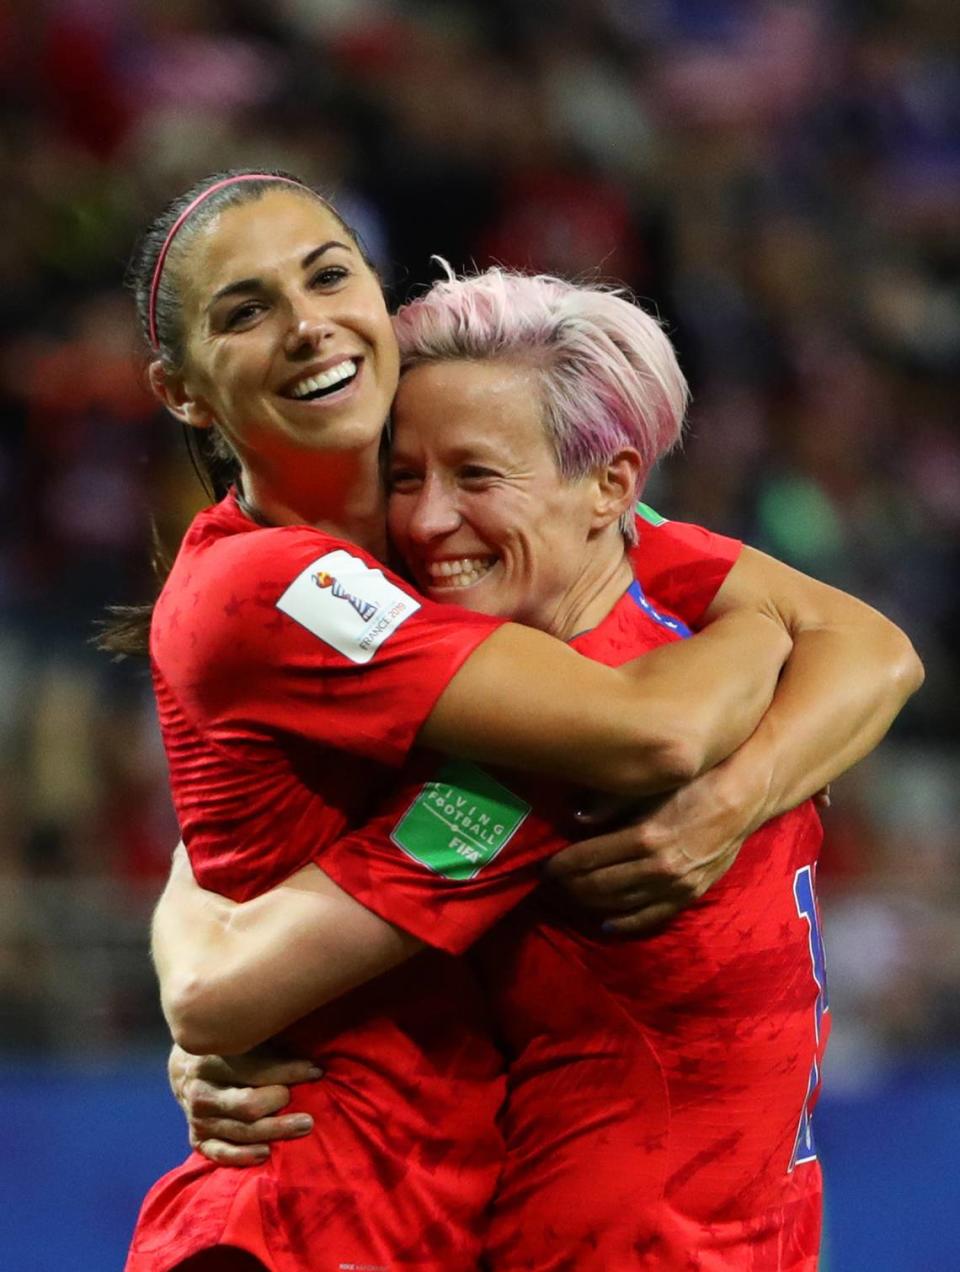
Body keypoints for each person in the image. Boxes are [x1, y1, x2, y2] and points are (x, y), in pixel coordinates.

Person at [129, 220, 922, 1268]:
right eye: (405, 476)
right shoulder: (631, 643)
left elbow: (869, 650)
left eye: (475, 475)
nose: (429, 520)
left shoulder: (549, 731)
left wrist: (730, 798)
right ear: (181, 389)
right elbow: (218, 967)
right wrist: (759, 652)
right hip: (349, 1222)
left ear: (612, 489)